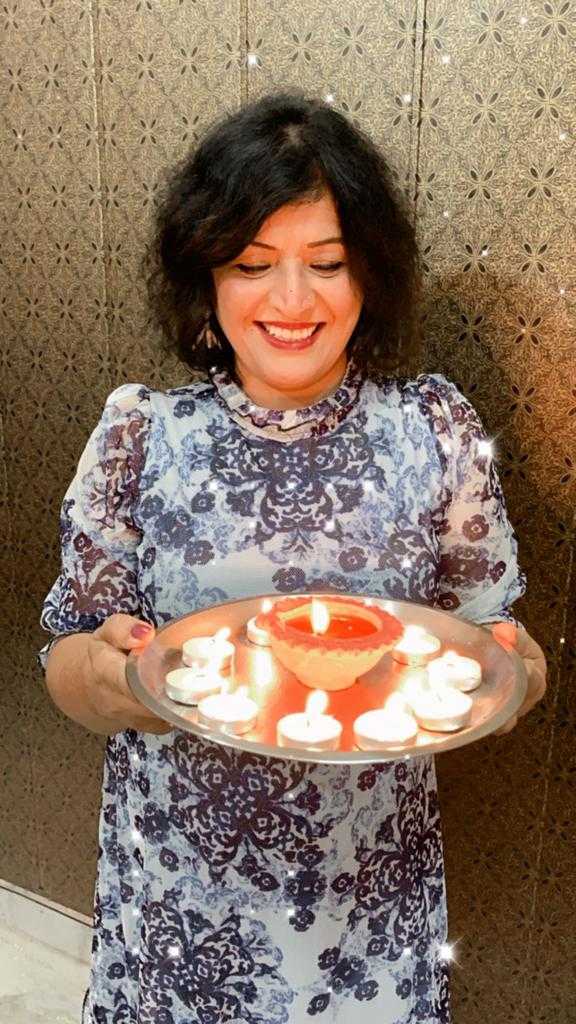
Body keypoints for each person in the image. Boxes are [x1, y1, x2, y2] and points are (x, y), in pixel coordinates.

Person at [40, 92, 546, 1024]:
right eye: (251, 264)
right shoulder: (139, 434)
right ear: (207, 279)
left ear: (370, 276)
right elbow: (67, 662)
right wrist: (119, 679)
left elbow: (500, 638)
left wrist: (509, 677)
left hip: (371, 912)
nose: (290, 301)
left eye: (327, 263)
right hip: (180, 908)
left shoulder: (433, 427)